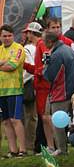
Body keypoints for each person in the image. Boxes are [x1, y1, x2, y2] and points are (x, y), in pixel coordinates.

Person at [43, 31, 74, 156]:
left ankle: (61, 149)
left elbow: (50, 76)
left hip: (62, 92)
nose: (43, 43)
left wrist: (45, 64)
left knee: (57, 121)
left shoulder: (56, 55)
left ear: (49, 41)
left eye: (44, 41)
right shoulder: (67, 48)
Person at [0, 25, 26, 157]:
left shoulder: (18, 48)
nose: (7, 38)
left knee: (15, 119)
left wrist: (4, 63)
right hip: (1, 91)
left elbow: (12, 66)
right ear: (0, 37)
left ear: (13, 36)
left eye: (9, 35)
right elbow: (6, 65)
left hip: (14, 89)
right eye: (4, 36)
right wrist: (2, 62)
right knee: (6, 121)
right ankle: (13, 150)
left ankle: (22, 149)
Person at [21, 23, 41, 153]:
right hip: (35, 84)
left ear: (30, 33)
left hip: (31, 84)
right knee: (33, 117)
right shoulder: (39, 46)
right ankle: (31, 145)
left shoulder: (28, 48)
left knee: (30, 117)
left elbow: (29, 68)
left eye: (27, 32)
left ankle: (30, 145)